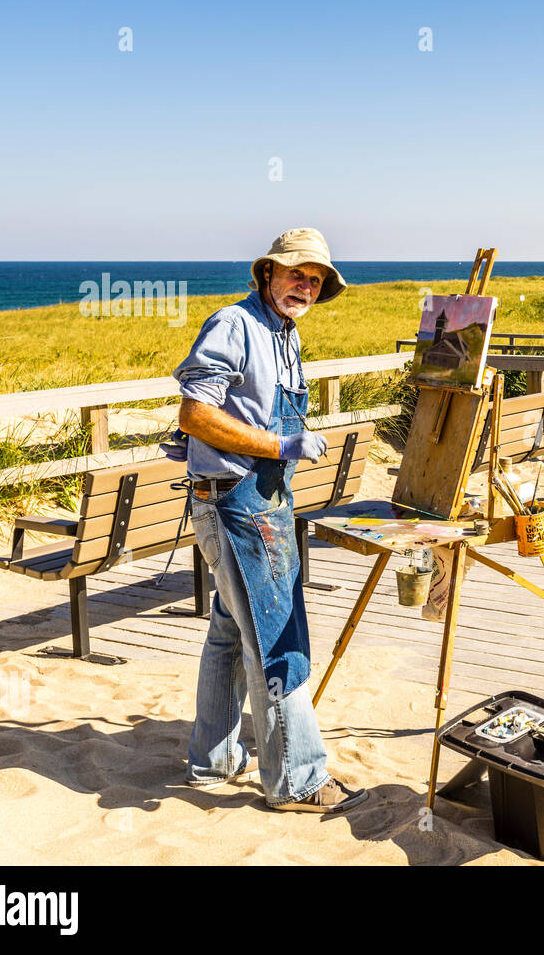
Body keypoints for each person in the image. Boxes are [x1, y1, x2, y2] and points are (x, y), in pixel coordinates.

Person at [171, 227, 367, 812]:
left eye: (315, 280)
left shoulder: (286, 333)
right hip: (236, 504)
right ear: (266, 274)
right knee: (277, 639)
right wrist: (278, 446)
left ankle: (214, 760)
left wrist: (209, 442)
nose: (304, 286)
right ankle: (298, 781)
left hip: (260, 498)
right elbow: (196, 411)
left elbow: (216, 414)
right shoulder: (235, 324)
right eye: (295, 274)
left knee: (231, 632)